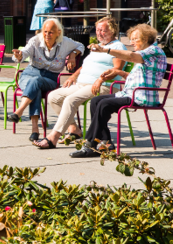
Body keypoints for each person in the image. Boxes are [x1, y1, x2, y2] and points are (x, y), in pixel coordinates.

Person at [70, 24, 167, 158]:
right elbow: (139, 76)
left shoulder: (153, 51)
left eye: (135, 39)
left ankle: (90, 144)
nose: (131, 42)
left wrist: (105, 50)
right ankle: (106, 142)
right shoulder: (145, 53)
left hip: (142, 95)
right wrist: (119, 72)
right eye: (131, 39)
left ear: (145, 39)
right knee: (96, 101)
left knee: (104, 104)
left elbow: (131, 57)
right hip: (131, 92)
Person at [33, 17, 126, 149]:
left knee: (71, 100)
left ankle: (53, 137)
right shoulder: (98, 47)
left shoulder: (117, 47)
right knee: (53, 97)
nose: (99, 33)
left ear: (112, 31)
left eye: (103, 30)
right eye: (98, 30)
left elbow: (117, 70)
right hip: (82, 84)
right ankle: (74, 130)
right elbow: (85, 65)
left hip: (104, 85)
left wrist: (100, 79)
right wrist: (73, 76)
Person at [7, 18, 84, 141]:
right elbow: (25, 53)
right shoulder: (35, 40)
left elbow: (81, 45)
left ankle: (20, 112)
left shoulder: (65, 42)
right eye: (45, 31)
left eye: (51, 32)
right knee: (35, 85)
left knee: (35, 82)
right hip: (29, 74)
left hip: (50, 78)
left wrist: (73, 54)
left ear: (58, 32)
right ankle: (34, 130)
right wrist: (19, 56)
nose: (47, 35)